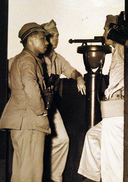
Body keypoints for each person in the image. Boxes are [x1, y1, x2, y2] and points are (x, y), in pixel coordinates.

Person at [0, 22, 51, 182]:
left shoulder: (21, 59)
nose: (47, 42)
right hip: (29, 121)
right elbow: (30, 85)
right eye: (43, 38)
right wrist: (41, 110)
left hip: (22, 121)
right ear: (32, 39)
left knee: (22, 171)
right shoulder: (28, 60)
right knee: (31, 174)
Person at [77, 14, 124, 182]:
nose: (104, 33)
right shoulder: (118, 50)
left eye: (106, 29)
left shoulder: (125, 49)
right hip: (112, 109)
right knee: (93, 137)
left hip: (118, 110)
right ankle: (93, 177)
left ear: (114, 30)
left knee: (113, 161)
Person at [41, 20, 86, 182]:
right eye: (53, 36)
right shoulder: (35, 56)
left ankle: (55, 176)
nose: (56, 39)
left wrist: (79, 78)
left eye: (58, 36)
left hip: (51, 106)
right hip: (36, 106)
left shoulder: (57, 58)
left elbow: (71, 71)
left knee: (62, 139)